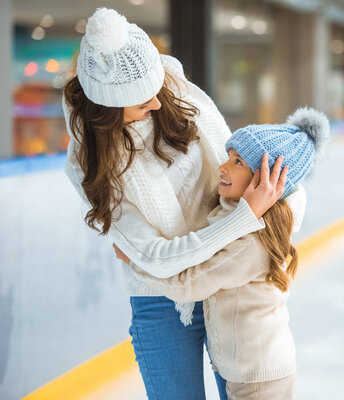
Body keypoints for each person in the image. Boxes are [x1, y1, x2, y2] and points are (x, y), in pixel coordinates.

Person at [61, 8, 304, 400]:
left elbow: (248, 167)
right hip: (160, 297)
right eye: (143, 101)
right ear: (107, 110)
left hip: (226, 280)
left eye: (157, 90)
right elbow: (158, 260)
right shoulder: (87, 163)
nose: (158, 104)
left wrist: (253, 216)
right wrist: (245, 218)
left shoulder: (172, 85)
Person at [114, 107, 329, 399]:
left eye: (238, 161)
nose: (223, 167)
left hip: (258, 377)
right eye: (229, 156)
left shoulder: (252, 244)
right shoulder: (230, 214)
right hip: (246, 370)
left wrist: (137, 259)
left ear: (264, 180)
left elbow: (189, 285)